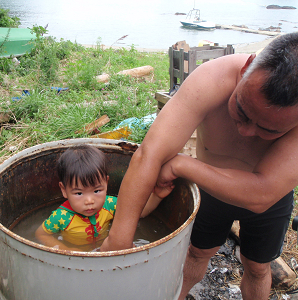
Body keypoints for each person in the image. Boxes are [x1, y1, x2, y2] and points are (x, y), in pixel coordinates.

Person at [100, 32, 298, 300]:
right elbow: (149, 154)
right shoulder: (211, 78)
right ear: (244, 70)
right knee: (197, 252)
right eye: (241, 110)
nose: (246, 131)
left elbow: (262, 194)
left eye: (268, 130)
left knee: (258, 267)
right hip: (210, 191)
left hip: (268, 202)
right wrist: (119, 238)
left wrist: (183, 165)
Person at [35, 144, 174, 251]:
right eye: (79, 193)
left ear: (106, 183)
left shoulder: (110, 204)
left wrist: (156, 196)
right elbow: (41, 234)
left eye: (97, 191)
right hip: (75, 258)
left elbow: (138, 212)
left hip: (104, 252)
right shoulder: (61, 217)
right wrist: (65, 250)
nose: (90, 201)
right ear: (64, 190)